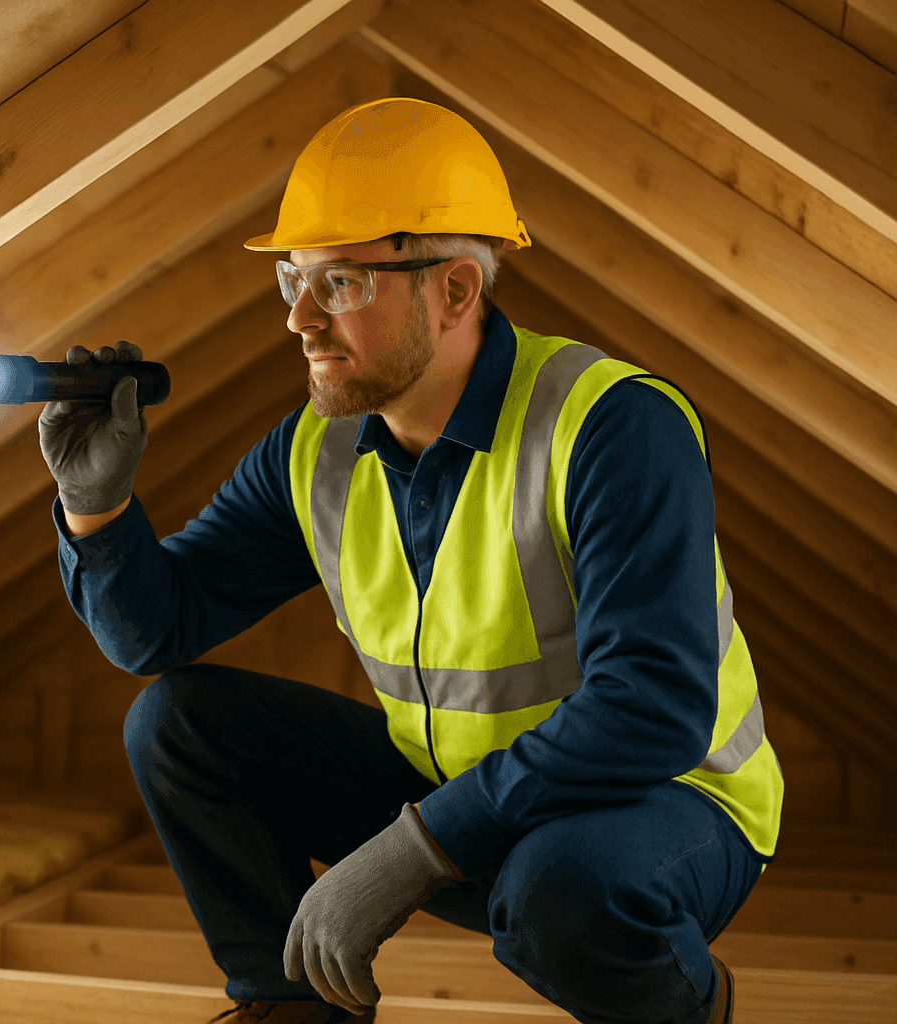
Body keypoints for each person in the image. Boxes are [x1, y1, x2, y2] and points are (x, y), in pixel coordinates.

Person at [38, 97, 781, 1024]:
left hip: (664, 810)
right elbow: (157, 629)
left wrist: (412, 853)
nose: (301, 320)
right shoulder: (317, 452)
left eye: (341, 284)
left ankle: (691, 1008)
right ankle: (292, 1009)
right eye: (293, 282)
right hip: (465, 809)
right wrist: (95, 506)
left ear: (457, 291)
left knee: (562, 893)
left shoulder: (609, 426)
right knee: (179, 723)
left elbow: (653, 711)